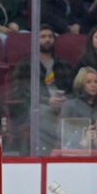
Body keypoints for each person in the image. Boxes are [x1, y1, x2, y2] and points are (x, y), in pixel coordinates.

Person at [10, 25, 76, 154]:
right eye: (43, 37)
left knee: (75, 108)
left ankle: (71, 153)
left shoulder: (64, 64)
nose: (47, 40)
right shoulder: (26, 65)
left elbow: (74, 89)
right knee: (43, 111)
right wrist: (47, 100)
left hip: (63, 104)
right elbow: (21, 91)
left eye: (50, 37)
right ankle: (45, 154)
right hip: (38, 106)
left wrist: (65, 99)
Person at [60, 66, 97, 149]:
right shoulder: (70, 106)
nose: (93, 85)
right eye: (88, 82)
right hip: (76, 152)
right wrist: (84, 137)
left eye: (96, 82)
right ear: (80, 84)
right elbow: (62, 136)